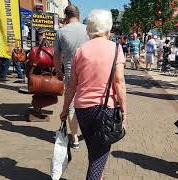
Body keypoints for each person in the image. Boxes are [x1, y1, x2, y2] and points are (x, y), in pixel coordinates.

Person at [60, 9, 127, 179]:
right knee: (99, 155)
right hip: (106, 109)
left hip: (82, 109)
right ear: (108, 28)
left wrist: (65, 109)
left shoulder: (80, 51)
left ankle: (98, 176)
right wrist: (124, 111)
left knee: (94, 151)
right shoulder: (116, 48)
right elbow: (119, 82)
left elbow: (72, 85)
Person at [53, 5, 89, 149]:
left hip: (69, 72)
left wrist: (58, 71)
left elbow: (56, 56)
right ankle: (87, 133)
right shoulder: (88, 30)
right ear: (78, 15)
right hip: (87, 72)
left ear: (66, 16)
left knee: (72, 104)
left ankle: (74, 138)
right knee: (87, 102)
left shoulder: (60, 32)